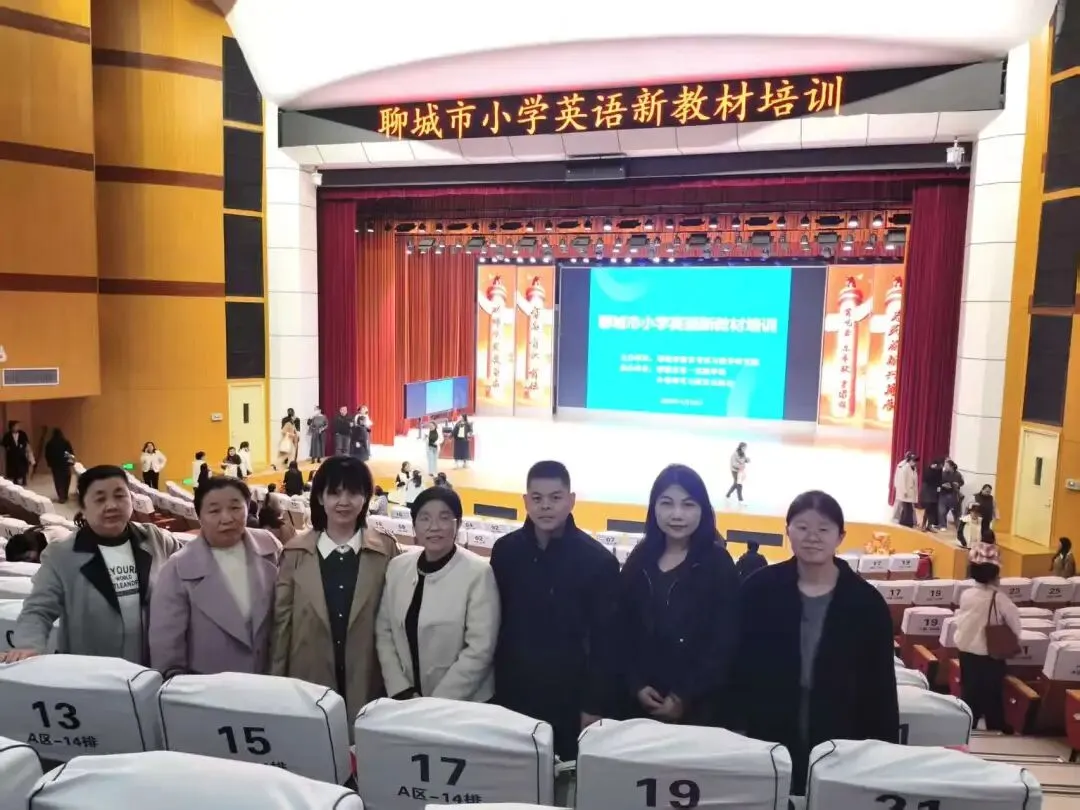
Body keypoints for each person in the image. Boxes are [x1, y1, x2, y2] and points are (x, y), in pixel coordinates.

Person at [732, 490, 899, 795]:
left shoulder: (866, 602)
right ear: (787, 531)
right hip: (766, 732)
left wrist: (882, 752)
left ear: (840, 536)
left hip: (842, 736)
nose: (812, 537)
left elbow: (881, 686)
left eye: (823, 529)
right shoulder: (758, 590)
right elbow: (737, 664)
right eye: (802, 527)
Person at [490, 460, 620, 760]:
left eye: (555, 497)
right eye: (537, 498)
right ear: (525, 501)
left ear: (571, 500)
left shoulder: (598, 562)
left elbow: (606, 643)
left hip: (569, 698)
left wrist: (593, 705)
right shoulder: (506, 551)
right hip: (512, 692)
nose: (545, 506)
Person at [1, 465, 182, 664]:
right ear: (83, 508)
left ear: (131, 499)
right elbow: (38, 609)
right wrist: (28, 645)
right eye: (100, 499)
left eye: (119, 495)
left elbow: (190, 565)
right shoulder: (61, 555)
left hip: (153, 666)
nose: (111, 505)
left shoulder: (155, 538)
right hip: (95, 668)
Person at [607, 464, 739, 726]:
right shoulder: (640, 558)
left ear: (703, 509)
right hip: (637, 709)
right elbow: (620, 628)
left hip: (698, 713)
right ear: (654, 507)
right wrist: (636, 685)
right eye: (667, 503)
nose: (677, 514)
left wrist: (683, 697)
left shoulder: (718, 564)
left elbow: (724, 642)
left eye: (688, 505)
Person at [271, 456, 399, 719]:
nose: (344, 501)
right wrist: (275, 684)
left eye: (353, 493)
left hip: (370, 679)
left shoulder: (385, 551)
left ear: (365, 498)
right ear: (320, 497)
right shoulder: (295, 553)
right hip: (307, 679)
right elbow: (281, 625)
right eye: (335, 493)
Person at [149, 478, 281, 678]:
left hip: (270, 680)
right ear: (199, 516)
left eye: (235, 508)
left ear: (248, 508)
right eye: (214, 511)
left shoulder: (270, 546)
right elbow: (166, 648)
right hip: (209, 687)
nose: (226, 519)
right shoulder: (177, 568)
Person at [376, 487, 499, 701]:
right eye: (425, 518)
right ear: (414, 526)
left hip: (461, 703)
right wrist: (400, 689)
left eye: (444, 517)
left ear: (458, 524)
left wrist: (436, 703)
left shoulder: (479, 573)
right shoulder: (397, 567)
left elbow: (480, 648)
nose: (434, 527)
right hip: (405, 699)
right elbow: (384, 631)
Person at [954, 561, 1022, 733]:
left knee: (969, 689)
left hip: (966, 648)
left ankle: (968, 722)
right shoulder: (999, 598)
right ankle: (995, 724)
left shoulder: (966, 594)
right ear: (992, 578)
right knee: (993, 691)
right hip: (990, 651)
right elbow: (1015, 623)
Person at [44, 428, 75, 504]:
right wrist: (71, 462)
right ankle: (65, 494)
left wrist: (49, 463)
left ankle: (61, 496)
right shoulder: (65, 442)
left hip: (55, 465)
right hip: (65, 464)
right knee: (66, 479)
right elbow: (69, 452)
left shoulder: (50, 443)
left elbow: (47, 454)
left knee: (58, 481)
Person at [893, 451, 919, 528]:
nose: (914, 462)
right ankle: (907, 523)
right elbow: (901, 480)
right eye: (913, 460)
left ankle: (905, 522)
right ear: (909, 460)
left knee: (907, 508)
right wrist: (904, 491)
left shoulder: (913, 468)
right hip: (905, 492)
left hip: (910, 492)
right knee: (907, 508)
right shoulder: (903, 467)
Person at [2, 420, 31, 485]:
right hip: (12, 454)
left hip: (21, 453)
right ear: (11, 427)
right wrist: (8, 447)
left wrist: (22, 446)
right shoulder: (7, 435)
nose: (17, 427)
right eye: (15, 426)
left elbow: (26, 441)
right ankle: (15, 480)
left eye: (18, 426)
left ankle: (24, 480)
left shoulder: (22, 433)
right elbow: (4, 443)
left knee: (22, 467)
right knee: (14, 468)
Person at [938, 459, 964, 530]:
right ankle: (943, 525)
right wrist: (942, 485)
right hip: (943, 494)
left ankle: (959, 527)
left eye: (947, 465)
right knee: (942, 511)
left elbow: (962, 482)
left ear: (951, 466)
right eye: (945, 465)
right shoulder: (942, 473)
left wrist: (958, 484)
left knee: (956, 512)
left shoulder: (958, 474)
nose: (945, 467)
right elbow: (938, 482)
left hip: (954, 495)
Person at [919, 459, 942, 531]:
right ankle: (923, 525)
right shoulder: (928, 471)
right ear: (934, 465)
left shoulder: (939, 471)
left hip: (935, 493)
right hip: (928, 493)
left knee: (933, 510)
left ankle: (929, 525)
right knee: (928, 509)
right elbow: (927, 480)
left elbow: (939, 481)